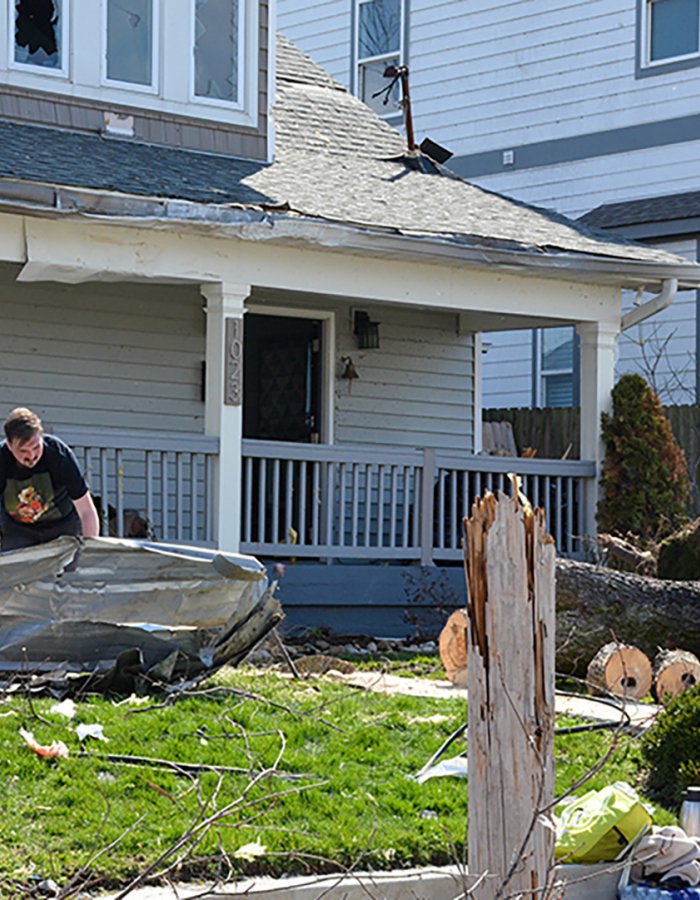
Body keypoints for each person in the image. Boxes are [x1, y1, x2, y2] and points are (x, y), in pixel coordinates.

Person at [0, 407, 99, 550]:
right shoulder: (2, 460)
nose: (31, 456)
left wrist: (91, 550)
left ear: (41, 437)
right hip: (18, 530)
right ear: (9, 445)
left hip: (63, 526)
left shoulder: (59, 455)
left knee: (70, 570)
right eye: (23, 451)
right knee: (14, 570)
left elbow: (86, 511)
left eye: (36, 447)